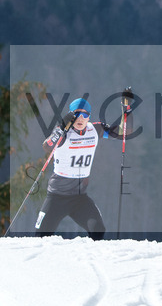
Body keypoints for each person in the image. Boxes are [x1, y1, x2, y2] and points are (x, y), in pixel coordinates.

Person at [35, 96, 132, 240]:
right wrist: (61, 127)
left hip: (79, 198)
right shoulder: (63, 133)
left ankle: (89, 261)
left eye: (85, 115)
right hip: (56, 197)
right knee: (40, 237)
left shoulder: (96, 129)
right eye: (76, 114)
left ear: (89, 117)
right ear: (70, 116)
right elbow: (47, 146)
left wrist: (127, 109)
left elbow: (124, 132)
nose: (81, 118)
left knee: (98, 230)